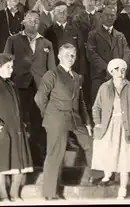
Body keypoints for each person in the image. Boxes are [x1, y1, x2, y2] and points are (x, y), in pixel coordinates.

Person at [34, 44, 95, 200]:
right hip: (57, 119)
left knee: (91, 144)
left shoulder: (76, 76)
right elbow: (39, 98)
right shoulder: (52, 74)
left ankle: (95, 178)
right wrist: (49, 114)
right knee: (55, 154)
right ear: (59, 57)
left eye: (73, 55)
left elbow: (81, 102)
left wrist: (87, 122)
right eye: (67, 54)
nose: (70, 58)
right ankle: (50, 193)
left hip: (75, 118)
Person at [4, 11, 56, 164]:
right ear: (24, 22)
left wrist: (51, 88)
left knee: (38, 121)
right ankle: (19, 156)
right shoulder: (13, 40)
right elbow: (5, 62)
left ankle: (38, 156)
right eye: (30, 20)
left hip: (40, 88)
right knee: (19, 119)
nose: (33, 23)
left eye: (36, 20)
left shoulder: (46, 43)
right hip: (19, 86)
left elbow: (52, 69)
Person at [0, 53, 33, 202]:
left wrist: (24, 124)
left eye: (12, 66)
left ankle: (14, 194)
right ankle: (3, 196)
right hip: (1, 130)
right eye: (8, 67)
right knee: (1, 163)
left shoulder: (12, 85)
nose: (11, 70)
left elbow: (18, 108)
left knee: (20, 163)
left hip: (16, 130)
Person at [91, 58, 130, 200]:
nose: (120, 73)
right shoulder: (104, 87)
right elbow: (96, 107)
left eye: (123, 70)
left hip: (126, 126)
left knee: (126, 157)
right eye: (117, 70)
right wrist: (98, 123)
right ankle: (108, 174)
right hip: (109, 126)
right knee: (109, 150)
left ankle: (123, 188)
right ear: (111, 71)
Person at [86, 6, 130, 104]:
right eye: (107, 15)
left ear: (115, 17)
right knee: (100, 107)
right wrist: (108, 69)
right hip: (100, 76)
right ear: (101, 16)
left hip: (118, 76)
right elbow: (91, 54)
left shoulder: (120, 35)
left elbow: (127, 52)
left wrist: (121, 69)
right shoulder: (93, 34)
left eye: (112, 15)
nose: (110, 18)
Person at [43, 1, 85, 76]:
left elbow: (81, 52)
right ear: (54, 13)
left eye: (64, 11)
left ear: (68, 13)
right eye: (58, 11)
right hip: (55, 70)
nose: (62, 14)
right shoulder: (48, 32)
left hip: (74, 70)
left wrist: (81, 73)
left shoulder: (76, 30)